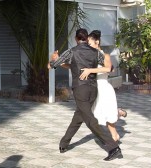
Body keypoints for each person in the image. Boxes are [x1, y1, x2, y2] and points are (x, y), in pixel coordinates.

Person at [48, 28, 122, 161]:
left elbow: (53, 65)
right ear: (87, 38)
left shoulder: (72, 51)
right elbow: (108, 68)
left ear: (76, 39)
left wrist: (53, 59)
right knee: (78, 117)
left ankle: (113, 148)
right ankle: (64, 144)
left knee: (90, 121)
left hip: (80, 89)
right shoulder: (96, 52)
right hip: (93, 89)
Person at [79, 30, 127, 142]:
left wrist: (90, 70)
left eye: (90, 44)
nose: (88, 47)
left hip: (104, 89)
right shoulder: (90, 57)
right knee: (97, 114)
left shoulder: (104, 55)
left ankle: (114, 138)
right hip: (93, 89)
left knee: (108, 117)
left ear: (97, 42)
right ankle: (118, 112)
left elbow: (108, 68)